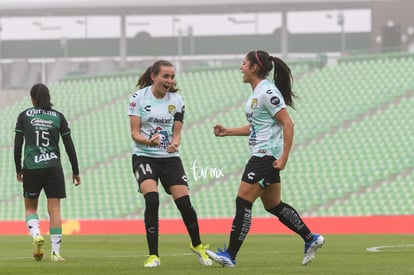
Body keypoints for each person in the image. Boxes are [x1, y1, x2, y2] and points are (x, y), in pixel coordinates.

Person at [206, 50, 324, 267]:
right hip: (262, 155)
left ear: (253, 67)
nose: (240, 67)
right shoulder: (256, 93)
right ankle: (311, 238)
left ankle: (230, 255)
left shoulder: (267, 92)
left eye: (243, 63)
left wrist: (284, 157)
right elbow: (256, 127)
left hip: (265, 157)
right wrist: (228, 131)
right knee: (273, 205)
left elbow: (288, 124)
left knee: (243, 200)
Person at [127, 60, 212, 267]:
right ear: (154, 76)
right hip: (144, 156)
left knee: (184, 204)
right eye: (165, 76)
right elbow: (134, 133)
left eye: (172, 77)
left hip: (169, 159)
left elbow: (177, 133)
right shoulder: (138, 98)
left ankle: (197, 245)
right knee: (152, 200)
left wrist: (174, 144)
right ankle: (153, 255)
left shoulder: (177, 100)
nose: (170, 80)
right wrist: (149, 141)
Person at [14, 83, 81, 262]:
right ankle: (55, 253)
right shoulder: (58, 117)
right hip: (53, 167)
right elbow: (69, 146)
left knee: (30, 208)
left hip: (32, 167)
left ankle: (36, 234)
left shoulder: (25, 116)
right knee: (55, 211)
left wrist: (18, 169)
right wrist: (75, 170)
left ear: (33, 98)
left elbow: (18, 145)